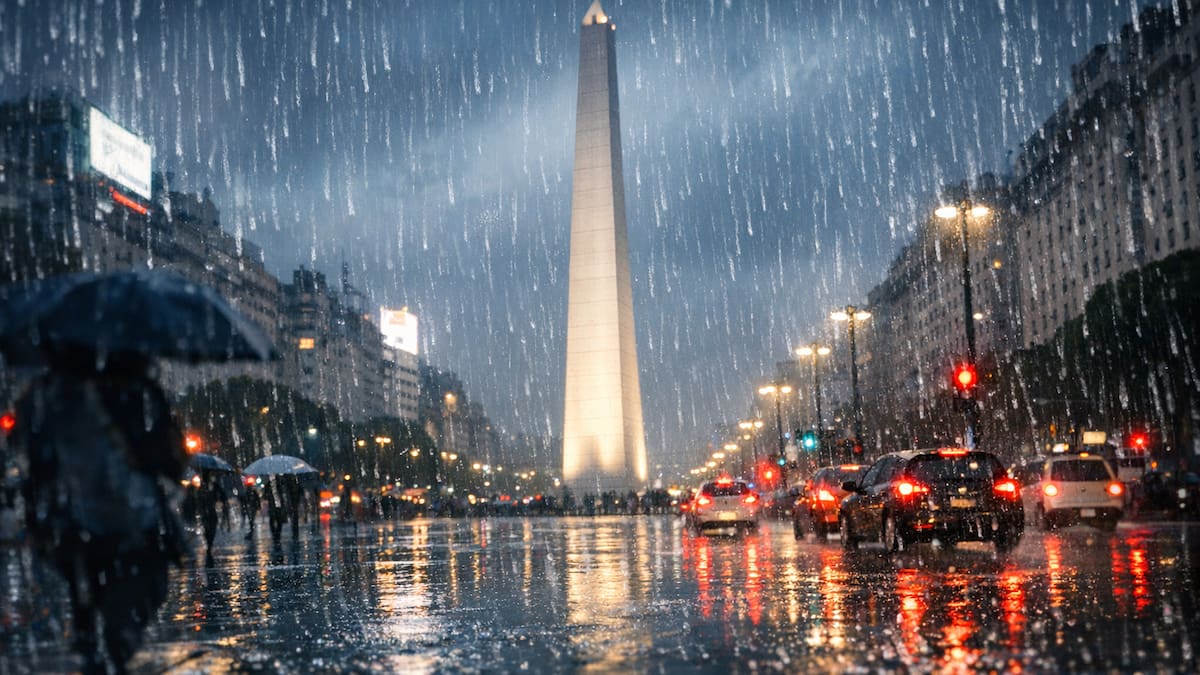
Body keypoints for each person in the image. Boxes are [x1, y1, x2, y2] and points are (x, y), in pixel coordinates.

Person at [13, 348, 186, 674]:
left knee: (87, 590)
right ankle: (115, 643)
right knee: (135, 589)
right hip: (132, 518)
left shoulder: (45, 394)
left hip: (70, 520)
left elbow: (32, 457)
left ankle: (93, 643)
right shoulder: (137, 391)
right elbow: (169, 458)